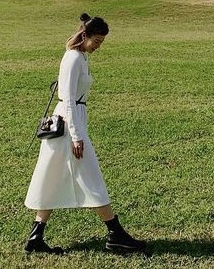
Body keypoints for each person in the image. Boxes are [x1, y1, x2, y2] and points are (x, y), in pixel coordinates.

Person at [23, 13, 149, 255]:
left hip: (73, 121)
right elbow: (68, 100)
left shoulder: (80, 57)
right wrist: (77, 135)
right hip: (69, 125)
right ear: (85, 35)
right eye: (97, 42)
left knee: (52, 178)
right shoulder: (72, 59)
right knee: (91, 176)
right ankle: (115, 234)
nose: (98, 47)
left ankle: (36, 237)